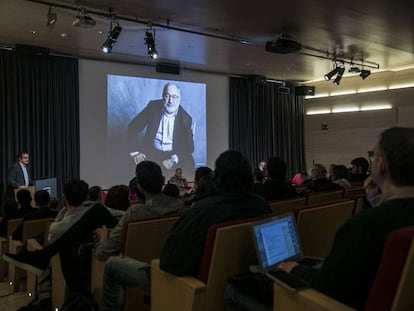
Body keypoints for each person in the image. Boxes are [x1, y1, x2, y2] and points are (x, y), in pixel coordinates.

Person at [225, 126, 414, 311]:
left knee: (233, 290)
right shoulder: (386, 219)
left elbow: (325, 288)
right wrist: (375, 203)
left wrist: (293, 269)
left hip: (325, 303)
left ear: (380, 164)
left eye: (373, 157)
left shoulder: (364, 226)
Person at [99, 150, 271, 310]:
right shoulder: (261, 205)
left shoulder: (204, 211)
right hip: (231, 282)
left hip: (189, 285)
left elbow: (170, 263)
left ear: (217, 178)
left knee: (113, 263)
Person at [94, 160, 187, 261]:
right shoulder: (180, 206)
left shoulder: (135, 212)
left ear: (139, 187)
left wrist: (102, 238)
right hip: (169, 261)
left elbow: (102, 252)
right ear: (163, 180)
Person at [127, 83, 195, 176]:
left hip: (173, 153)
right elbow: (133, 127)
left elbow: (189, 147)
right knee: (134, 167)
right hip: (151, 152)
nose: (171, 101)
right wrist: (135, 152)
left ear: (179, 98)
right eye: (167, 96)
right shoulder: (153, 107)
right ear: (162, 96)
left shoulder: (186, 118)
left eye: (175, 97)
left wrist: (174, 159)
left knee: (189, 165)